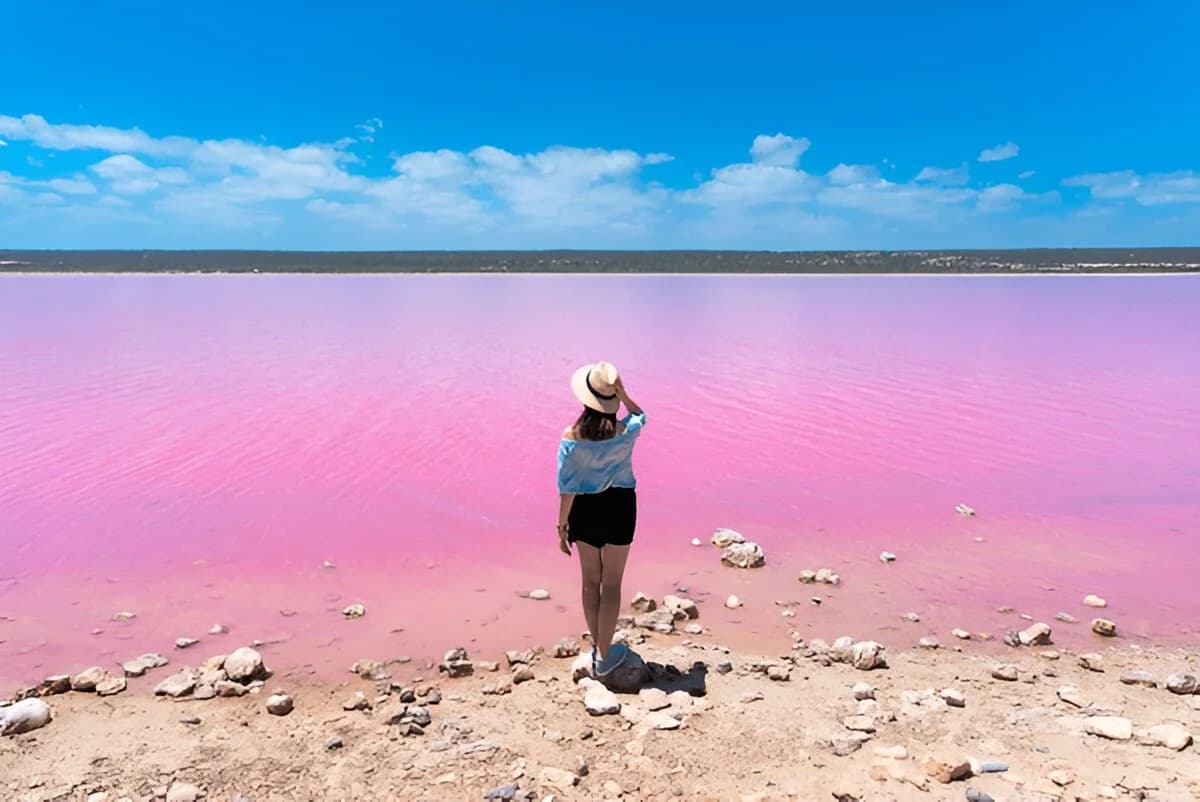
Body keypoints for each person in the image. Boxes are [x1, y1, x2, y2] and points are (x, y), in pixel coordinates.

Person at [556, 361, 646, 678]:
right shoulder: (626, 432)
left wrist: (561, 525)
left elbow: (566, 488)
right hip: (620, 507)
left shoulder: (571, 437)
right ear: (612, 399)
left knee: (590, 583)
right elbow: (640, 416)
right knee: (611, 585)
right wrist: (624, 393)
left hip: (585, 509)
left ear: (585, 398)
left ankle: (599, 650)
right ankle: (606, 656)